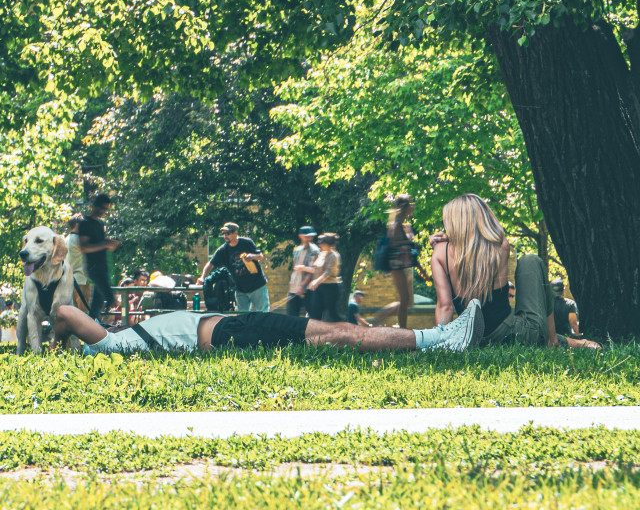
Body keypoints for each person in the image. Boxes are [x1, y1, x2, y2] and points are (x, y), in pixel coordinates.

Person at [429, 193, 600, 350]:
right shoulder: (499, 246)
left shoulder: (440, 253)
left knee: (524, 323)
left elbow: (445, 306)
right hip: (511, 333)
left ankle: (572, 342)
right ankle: (553, 340)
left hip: (474, 337)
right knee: (531, 261)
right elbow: (476, 244)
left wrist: (442, 343)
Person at [50, 295, 485, 355]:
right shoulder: (107, 348)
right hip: (230, 334)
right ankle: (436, 340)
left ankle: (439, 338)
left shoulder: (114, 344)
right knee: (340, 335)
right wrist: (56, 343)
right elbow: (65, 311)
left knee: (337, 330)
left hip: (232, 325)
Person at [197, 222, 270, 312]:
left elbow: (260, 256)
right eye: (223, 233)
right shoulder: (223, 250)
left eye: (227, 233)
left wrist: (252, 256)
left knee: (263, 315)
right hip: (240, 290)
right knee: (241, 317)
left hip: (257, 287)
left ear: (235, 233)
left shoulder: (247, 242)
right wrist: (202, 277)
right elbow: (210, 264)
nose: (225, 236)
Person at [387, 195, 428, 328]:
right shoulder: (396, 224)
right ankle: (402, 329)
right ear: (405, 207)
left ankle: (401, 327)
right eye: (411, 205)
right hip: (396, 266)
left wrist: (421, 271)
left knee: (405, 299)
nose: (413, 207)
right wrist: (407, 241)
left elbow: (411, 251)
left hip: (402, 264)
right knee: (405, 298)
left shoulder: (404, 224)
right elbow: (392, 243)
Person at [78, 194, 121, 320]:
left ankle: (90, 332)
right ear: (95, 206)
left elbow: (101, 244)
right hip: (93, 268)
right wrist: (104, 244)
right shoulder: (85, 223)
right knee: (110, 297)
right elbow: (84, 247)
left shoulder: (101, 223)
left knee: (96, 306)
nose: (103, 211)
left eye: (106, 209)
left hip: (104, 267)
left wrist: (110, 245)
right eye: (102, 208)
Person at [306, 233, 342, 322]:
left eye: (322, 242)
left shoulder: (334, 256)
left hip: (331, 287)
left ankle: (347, 330)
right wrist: (303, 269)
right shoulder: (321, 254)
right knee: (314, 313)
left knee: (333, 314)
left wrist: (316, 282)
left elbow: (328, 273)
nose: (319, 244)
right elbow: (316, 269)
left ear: (328, 244)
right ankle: (315, 334)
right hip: (319, 287)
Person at [288, 226, 320, 316]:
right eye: (307, 236)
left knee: (313, 316)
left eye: (311, 236)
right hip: (294, 287)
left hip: (308, 289)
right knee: (291, 316)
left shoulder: (315, 251)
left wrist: (302, 286)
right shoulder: (297, 250)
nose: (309, 238)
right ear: (300, 236)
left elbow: (313, 270)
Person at [65, 214, 92, 312]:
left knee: (74, 311)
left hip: (70, 281)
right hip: (81, 280)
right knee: (84, 311)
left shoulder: (66, 239)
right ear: (77, 225)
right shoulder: (78, 240)